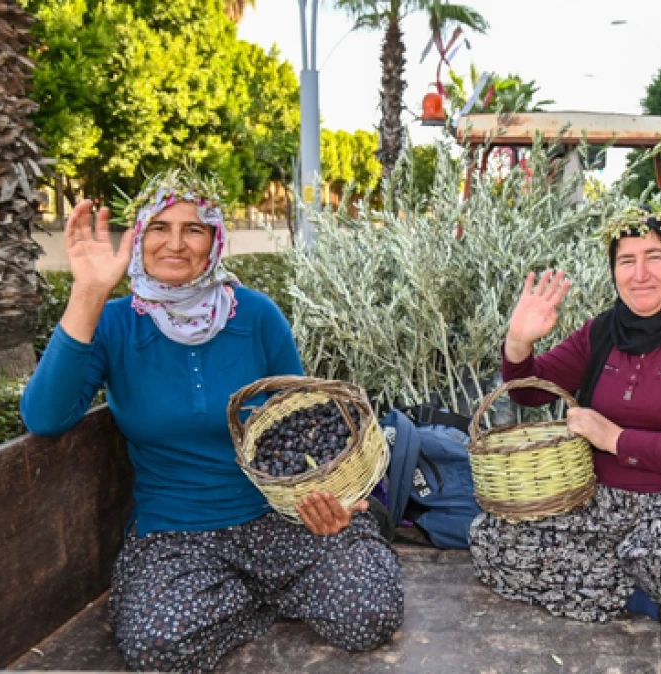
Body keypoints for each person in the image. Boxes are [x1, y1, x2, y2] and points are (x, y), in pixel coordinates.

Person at [20, 169, 403, 672]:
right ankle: (260, 594)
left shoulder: (256, 316)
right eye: (158, 227)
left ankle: (245, 592)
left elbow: (303, 426)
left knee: (368, 613)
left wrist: (331, 501)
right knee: (159, 646)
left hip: (279, 521)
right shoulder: (113, 323)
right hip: (177, 536)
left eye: (194, 229)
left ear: (215, 240)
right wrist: (88, 293)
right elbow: (45, 417)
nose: (175, 243)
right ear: (137, 238)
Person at [468, 205, 661, 645]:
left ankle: (615, 573)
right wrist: (518, 343)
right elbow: (531, 392)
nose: (640, 273)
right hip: (601, 500)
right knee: (491, 542)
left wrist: (614, 438)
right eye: (626, 260)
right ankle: (648, 600)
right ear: (614, 270)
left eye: (654, 256)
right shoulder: (604, 330)